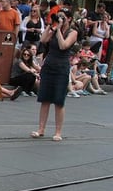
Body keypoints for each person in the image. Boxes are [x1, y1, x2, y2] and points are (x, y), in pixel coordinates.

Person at [31, 9, 78, 142]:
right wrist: (51, 27)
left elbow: (64, 46)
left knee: (58, 101)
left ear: (69, 19)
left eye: (63, 17)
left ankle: (58, 131)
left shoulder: (73, 33)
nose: (60, 19)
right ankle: (41, 129)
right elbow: (43, 39)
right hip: (49, 65)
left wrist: (58, 31)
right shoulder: (54, 29)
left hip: (61, 68)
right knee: (45, 98)